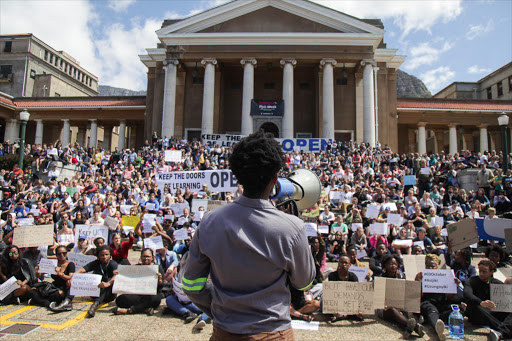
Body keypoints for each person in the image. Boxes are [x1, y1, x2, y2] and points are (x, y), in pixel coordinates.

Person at [183, 131, 315, 339]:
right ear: (275, 178)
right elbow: (304, 283)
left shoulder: (209, 221)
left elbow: (190, 284)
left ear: (238, 176)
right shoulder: (292, 227)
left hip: (224, 332)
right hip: (273, 333)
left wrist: (220, 309)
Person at [414, 254, 461, 341]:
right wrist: (420, 284)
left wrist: (455, 286)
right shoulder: (420, 276)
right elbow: (418, 296)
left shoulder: (444, 276)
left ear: (437, 266)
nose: (430, 268)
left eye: (432, 266)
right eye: (427, 266)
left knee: (457, 309)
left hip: (441, 303)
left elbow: (449, 296)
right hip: (427, 303)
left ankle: (429, 318)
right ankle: (439, 331)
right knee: (431, 310)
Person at [463, 259, 512, 341]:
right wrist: (481, 302)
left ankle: (501, 332)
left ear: (492, 272)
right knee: (475, 306)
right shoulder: (471, 281)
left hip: (492, 312)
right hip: (477, 312)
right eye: (480, 271)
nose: (481, 274)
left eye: (484, 272)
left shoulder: (497, 283)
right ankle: (504, 330)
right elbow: (467, 294)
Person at [113, 248, 163, 316]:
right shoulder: (136, 268)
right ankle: (144, 309)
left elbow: (161, 287)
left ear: (152, 257)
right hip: (138, 294)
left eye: (148, 256)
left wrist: (159, 280)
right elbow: (127, 279)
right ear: (140, 257)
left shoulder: (158, 268)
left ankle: (129, 310)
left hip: (150, 295)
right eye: (144, 256)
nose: (146, 258)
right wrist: (118, 274)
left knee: (156, 299)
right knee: (120, 300)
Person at [75, 245, 118, 317]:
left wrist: (108, 283)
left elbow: (116, 275)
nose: (104, 257)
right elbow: (82, 270)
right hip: (96, 292)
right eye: (102, 255)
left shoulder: (112, 263)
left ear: (110, 255)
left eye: (107, 255)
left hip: (109, 294)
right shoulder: (95, 263)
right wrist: (72, 277)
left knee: (109, 280)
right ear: (98, 256)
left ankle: (95, 304)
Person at [327, 255, 364, 322]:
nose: (343, 265)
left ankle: (344, 315)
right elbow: (331, 293)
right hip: (337, 299)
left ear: (349, 265)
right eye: (341, 262)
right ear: (338, 264)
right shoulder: (332, 275)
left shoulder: (353, 276)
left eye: (346, 263)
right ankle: (345, 315)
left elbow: (356, 293)